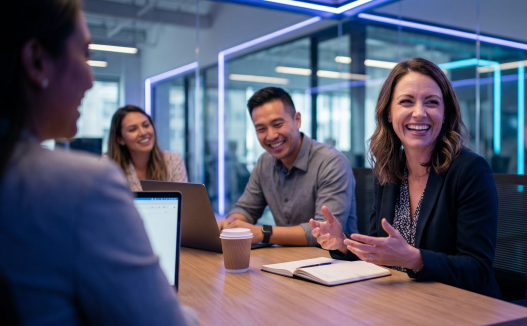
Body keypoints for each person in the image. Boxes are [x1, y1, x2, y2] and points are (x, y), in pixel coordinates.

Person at [0, 1, 192, 324]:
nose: (91, 79)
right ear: (36, 61)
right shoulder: (86, 183)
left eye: (146, 125)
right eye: (86, 54)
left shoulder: (169, 160)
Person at [309, 58, 502, 298]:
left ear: (444, 113)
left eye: (432, 102)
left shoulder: (470, 170)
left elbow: (478, 270)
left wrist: (414, 258)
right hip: (405, 300)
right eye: (406, 102)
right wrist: (342, 243)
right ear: (389, 113)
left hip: (462, 307)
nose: (419, 113)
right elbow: (379, 250)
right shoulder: (389, 169)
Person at [218, 87, 358, 246]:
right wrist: (230, 224)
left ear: (297, 120)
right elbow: (246, 209)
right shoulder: (265, 162)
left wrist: (263, 233)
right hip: (285, 259)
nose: (271, 136)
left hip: (336, 263)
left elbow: (326, 232)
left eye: (277, 124)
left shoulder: (331, 162)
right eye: (261, 129)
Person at [105, 105, 188, 191]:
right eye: (133, 129)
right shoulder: (107, 165)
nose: (143, 132)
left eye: (146, 125)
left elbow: (184, 202)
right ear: (120, 139)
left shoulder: (173, 161)